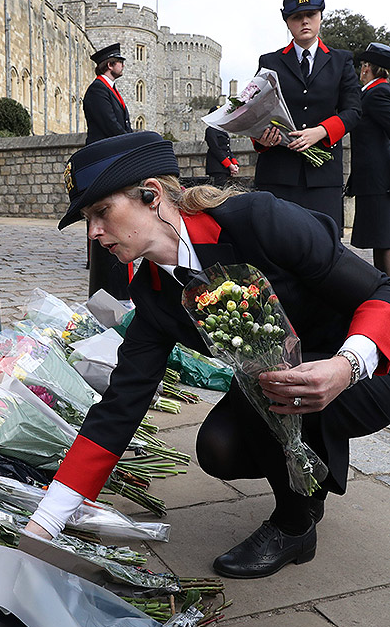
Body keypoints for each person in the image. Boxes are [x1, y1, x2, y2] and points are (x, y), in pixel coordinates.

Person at [25, 130, 390, 579]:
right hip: (287, 384)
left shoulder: (256, 220)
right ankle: (305, 484)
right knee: (219, 447)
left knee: (264, 386)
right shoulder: (154, 291)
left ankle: (293, 525)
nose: (94, 232)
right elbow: (122, 403)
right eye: (88, 218)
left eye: (101, 212)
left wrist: (346, 366)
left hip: (369, 362)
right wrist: (45, 522)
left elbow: (380, 289)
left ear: (152, 195)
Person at [253, 0, 361, 230]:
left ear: (320, 17)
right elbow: (255, 110)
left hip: (323, 176)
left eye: (310, 14)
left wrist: (321, 131)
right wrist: (262, 138)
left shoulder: (341, 60)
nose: (304, 21)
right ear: (287, 22)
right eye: (296, 17)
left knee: (324, 249)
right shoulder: (269, 62)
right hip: (278, 174)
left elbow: (354, 110)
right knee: (277, 247)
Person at [347, 42, 390, 275]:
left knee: (384, 239)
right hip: (374, 179)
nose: (361, 70)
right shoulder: (371, 92)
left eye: (364, 65)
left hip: (380, 179)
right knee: (379, 238)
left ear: (369, 68)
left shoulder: (378, 93)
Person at [83, 43, 133, 145]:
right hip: (103, 150)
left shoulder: (109, 88)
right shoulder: (97, 89)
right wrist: (129, 142)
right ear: (110, 65)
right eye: (120, 62)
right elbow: (109, 123)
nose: (123, 65)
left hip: (115, 147)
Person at [205, 106, 239, 187]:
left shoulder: (223, 132)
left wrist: (234, 164)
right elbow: (216, 149)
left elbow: (227, 149)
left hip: (225, 168)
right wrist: (229, 165)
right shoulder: (210, 130)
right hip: (217, 167)